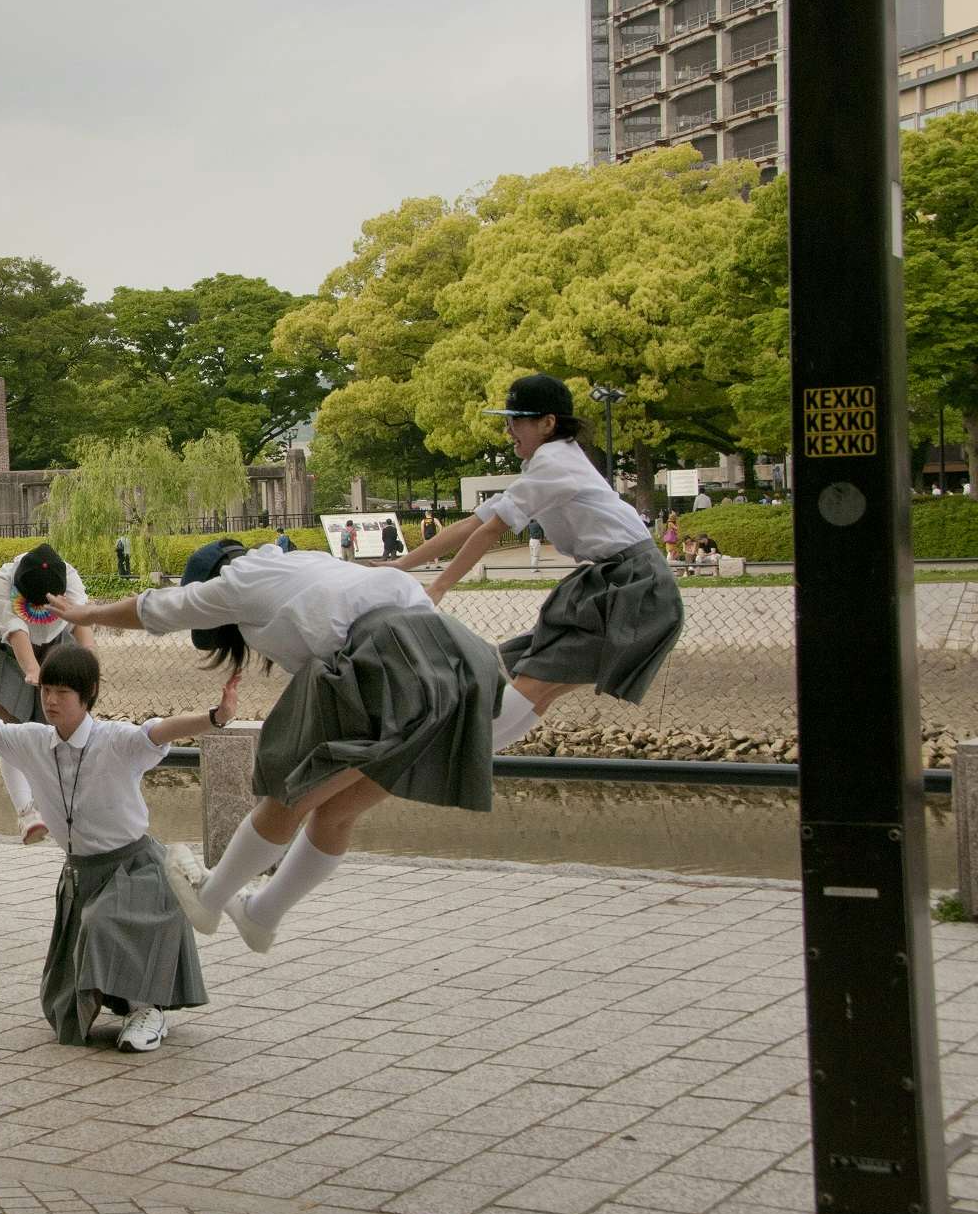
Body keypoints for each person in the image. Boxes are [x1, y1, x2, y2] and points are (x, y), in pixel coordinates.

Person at [50, 536, 501, 954]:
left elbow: (161, 607)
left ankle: (211, 897)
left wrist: (87, 615)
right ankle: (262, 915)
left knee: (291, 787)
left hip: (382, 657)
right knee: (337, 811)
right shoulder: (307, 562)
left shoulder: (240, 580)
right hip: (456, 665)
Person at [0, 641, 225, 1052]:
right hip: (82, 872)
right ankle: (124, 1000)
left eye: (63, 692)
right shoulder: (32, 741)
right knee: (62, 1007)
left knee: (102, 922)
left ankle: (148, 1010)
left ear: (89, 695)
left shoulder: (116, 740)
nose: (50, 700)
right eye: (46, 690)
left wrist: (214, 717)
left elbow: (161, 729)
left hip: (137, 870)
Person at [388, 373, 684, 749]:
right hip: (624, 582)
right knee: (535, 680)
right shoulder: (548, 462)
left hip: (633, 587)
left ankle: (444, 754)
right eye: (508, 420)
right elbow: (473, 522)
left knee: (535, 678)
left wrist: (438, 587)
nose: (509, 429)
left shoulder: (553, 464)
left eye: (518, 420)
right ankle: (465, 757)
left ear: (548, 423)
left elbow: (490, 530)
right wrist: (403, 565)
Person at [0, 544, 97, 844]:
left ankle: (70, 807)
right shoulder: (1, 584)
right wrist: (32, 670)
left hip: (56, 646)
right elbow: (16, 632)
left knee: (62, 727)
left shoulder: (69, 578)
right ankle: (27, 813)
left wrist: (89, 667)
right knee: (10, 729)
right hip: (1, 649)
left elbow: (81, 621)